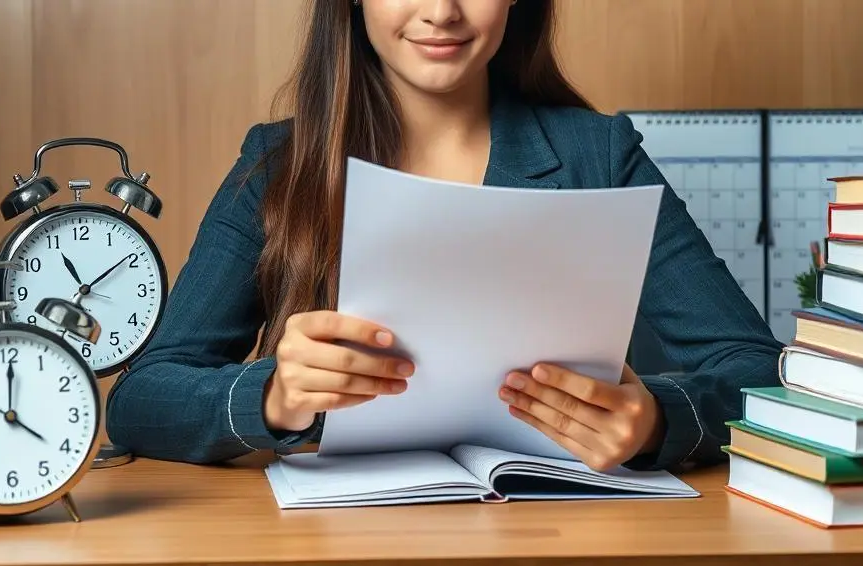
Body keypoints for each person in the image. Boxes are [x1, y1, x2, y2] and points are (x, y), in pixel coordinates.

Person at [105, 0, 783, 473]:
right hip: (341, 549)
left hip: (560, 540)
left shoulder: (599, 155)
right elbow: (142, 398)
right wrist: (274, 397)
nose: (441, 11)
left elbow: (759, 373)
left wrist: (657, 420)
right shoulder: (280, 165)